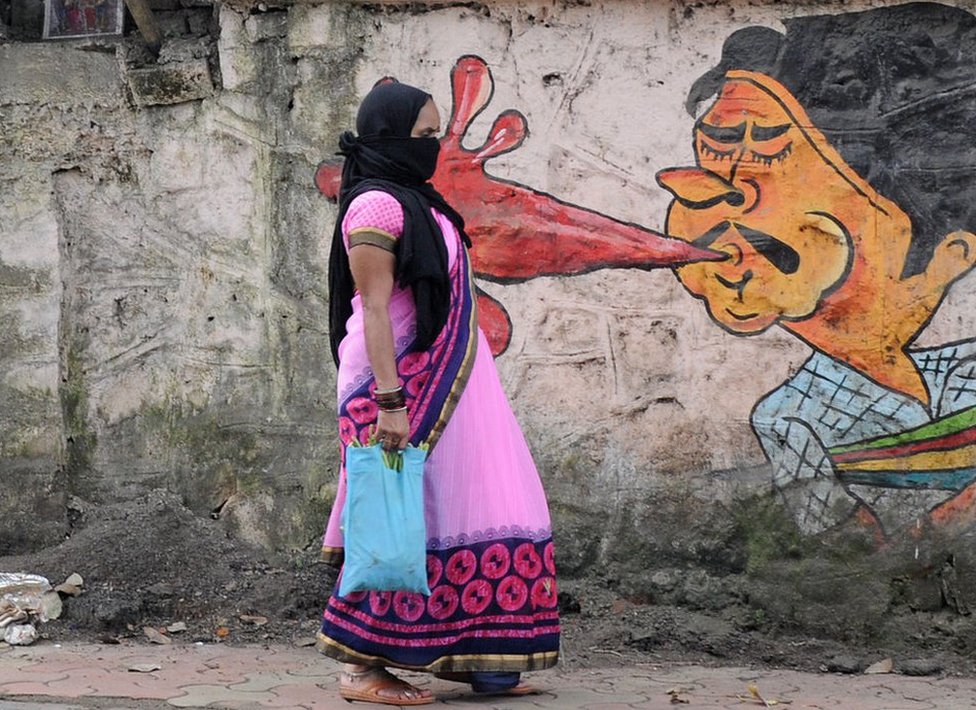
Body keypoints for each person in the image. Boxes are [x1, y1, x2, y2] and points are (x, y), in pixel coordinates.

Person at [655, 3, 976, 538]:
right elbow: (850, 551)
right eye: (717, 147)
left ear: (949, 256)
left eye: (768, 151)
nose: (722, 201)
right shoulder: (788, 416)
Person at [317, 79, 560, 706]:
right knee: (393, 515)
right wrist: (391, 402)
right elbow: (375, 308)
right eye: (424, 135)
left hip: (455, 381)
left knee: (474, 505)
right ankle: (362, 668)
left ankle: (480, 657)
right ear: (389, 137)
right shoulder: (375, 206)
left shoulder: (421, 202)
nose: (433, 146)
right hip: (393, 385)